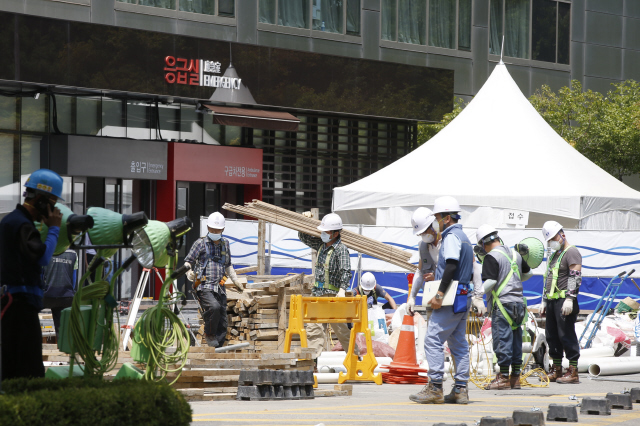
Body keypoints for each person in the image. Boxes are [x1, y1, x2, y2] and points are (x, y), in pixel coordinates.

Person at [0, 169, 63, 380]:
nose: (54, 209)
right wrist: (54, 229)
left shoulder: (12, 221)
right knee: (30, 368)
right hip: (19, 305)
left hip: (11, 303)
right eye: (53, 203)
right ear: (41, 200)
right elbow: (43, 257)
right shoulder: (22, 225)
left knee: (12, 365)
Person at [410, 196, 473, 405]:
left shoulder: (451, 238)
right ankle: (461, 389)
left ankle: (435, 386)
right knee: (458, 342)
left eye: (437, 217)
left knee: (432, 338)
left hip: (450, 296)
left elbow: (451, 266)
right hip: (463, 296)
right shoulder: (463, 236)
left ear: (446, 218)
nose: (436, 221)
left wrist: (439, 295)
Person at [476, 225, 532, 390]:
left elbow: (491, 282)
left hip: (503, 304)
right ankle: (515, 378)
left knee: (502, 341)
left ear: (484, 243)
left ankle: (503, 378)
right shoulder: (515, 254)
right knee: (515, 340)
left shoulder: (491, 257)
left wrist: (477, 295)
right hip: (519, 304)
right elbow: (528, 274)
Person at [299, 212, 358, 358]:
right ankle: (312, 364)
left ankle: (356, 359)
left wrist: (343, 289)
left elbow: (345, 270)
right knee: (314, 330)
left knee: (341, 331)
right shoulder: (320, 244)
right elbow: (303, 237)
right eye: (323, 231)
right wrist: (304, 221)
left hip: (333, 296)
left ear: (335, 233)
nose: (323, 234)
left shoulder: (341, 250)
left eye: (326, 232)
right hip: (318, 294)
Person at [408, 207, 485, 319]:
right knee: (439, 333)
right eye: (420, 233)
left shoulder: (451, 240)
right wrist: (412, 297)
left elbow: (473, 266)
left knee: (436, 335)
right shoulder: (423, 247)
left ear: (434, 224)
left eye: (425, 231)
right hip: (434, 299)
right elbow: (420, 272)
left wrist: (478, 296)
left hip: (453, 297)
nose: (423, 235)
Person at [183, 212, 243, 348]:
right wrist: (189, 272)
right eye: (212, 229)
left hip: (219, 287)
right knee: (213, 307)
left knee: (223, 321)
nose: (214, 232)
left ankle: (217, 349)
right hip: (203, 285)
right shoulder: (200, 243)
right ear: (208, 228)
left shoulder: (225, 244)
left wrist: (236, 280)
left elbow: (228, 265)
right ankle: (209, 334)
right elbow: (188, 261)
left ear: (222, 229)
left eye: (217, 230)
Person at [541, 221, 582, 384]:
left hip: (564, 301)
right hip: (552, 301)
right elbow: (548, 278)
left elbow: (575, 276)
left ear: (562, 235)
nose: (551, 242)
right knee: (552, 336)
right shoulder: (554, 255)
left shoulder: (572, 252)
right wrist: (544, 300)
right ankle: (556, 368)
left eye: (553, 238)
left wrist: (570, 298)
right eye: (549, 240)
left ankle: (573, 370)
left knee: (566, 335)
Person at [43, 249, 78, 336]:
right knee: (61, 323)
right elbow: (74, 280)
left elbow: (41, 275)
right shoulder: (73, 254)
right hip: (66, 297)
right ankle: (61, 344)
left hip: (47, 296)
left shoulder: (46, 251)